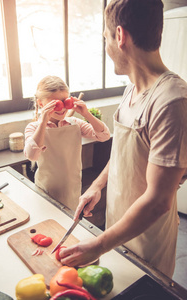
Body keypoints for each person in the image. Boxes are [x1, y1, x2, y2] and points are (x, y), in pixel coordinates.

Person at [59, 0, 187, 278]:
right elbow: (122, 152)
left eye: (105, 38)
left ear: (119, 36)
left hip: (147, 237)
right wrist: (96, 186)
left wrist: (99, 244)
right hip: (118, 227)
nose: (106, 48)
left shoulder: (172, 100)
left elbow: (158, 200)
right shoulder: (131, 89)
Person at [24, 75, 110, 211]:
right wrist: (43, 122)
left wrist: (86, 114)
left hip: (72, 188)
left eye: (64, 101)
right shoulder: (33, 128)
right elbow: (32, 156)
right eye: (54, 102)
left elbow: (104, 136)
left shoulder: (75, 124)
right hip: (45, 188)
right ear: (41, 104)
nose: (61, 107)